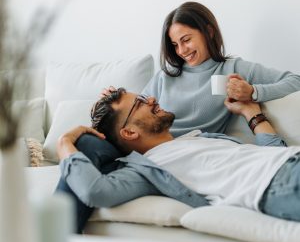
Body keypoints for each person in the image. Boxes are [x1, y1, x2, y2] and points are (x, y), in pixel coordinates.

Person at [56, 88, 300, 233]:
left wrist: (250, 112)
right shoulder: (146, 170)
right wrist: (65, 143)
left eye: (143, 95)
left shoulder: (197, 138)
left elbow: (273, 151)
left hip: (290, 160)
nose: (151, 99)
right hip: (278, 183)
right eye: (140, 103)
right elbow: (95, 191)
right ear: (129, 133)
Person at [103, 1, 300, 136]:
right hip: (156, 149)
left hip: (197, 152)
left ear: (209, 32)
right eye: (175, 44)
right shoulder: (165, 76)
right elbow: (134, 115)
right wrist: (113, 103)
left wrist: (254, 92)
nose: (181, 50)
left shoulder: (232, 69)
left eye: (186, 40)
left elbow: (295, 81)